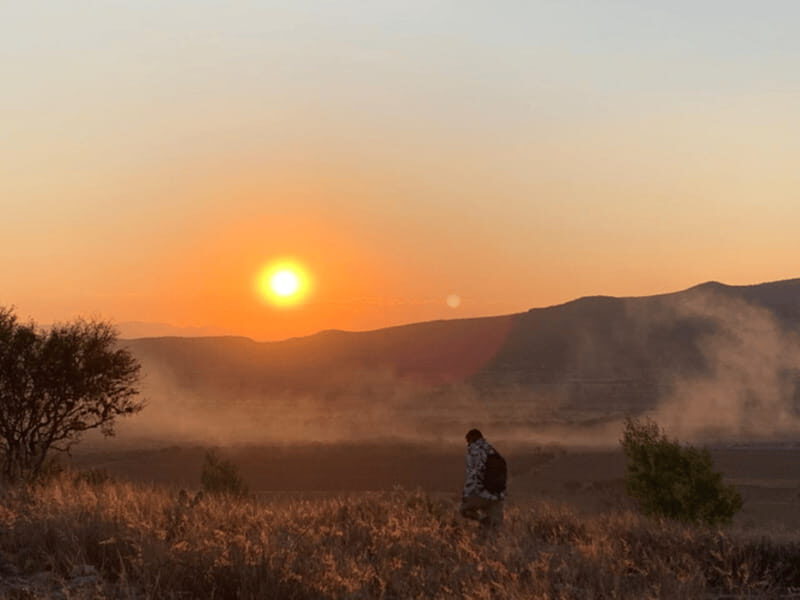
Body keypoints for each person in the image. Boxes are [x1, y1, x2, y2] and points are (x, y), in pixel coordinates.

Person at [459, 428, 506, 528]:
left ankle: (483, 521)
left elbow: (475, 473)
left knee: (464, 510)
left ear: (471, 439)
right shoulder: (491, 450)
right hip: (497, 494)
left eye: (468, 441)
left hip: (481, 493)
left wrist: (467, 494)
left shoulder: (475, 450)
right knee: (495, 528)